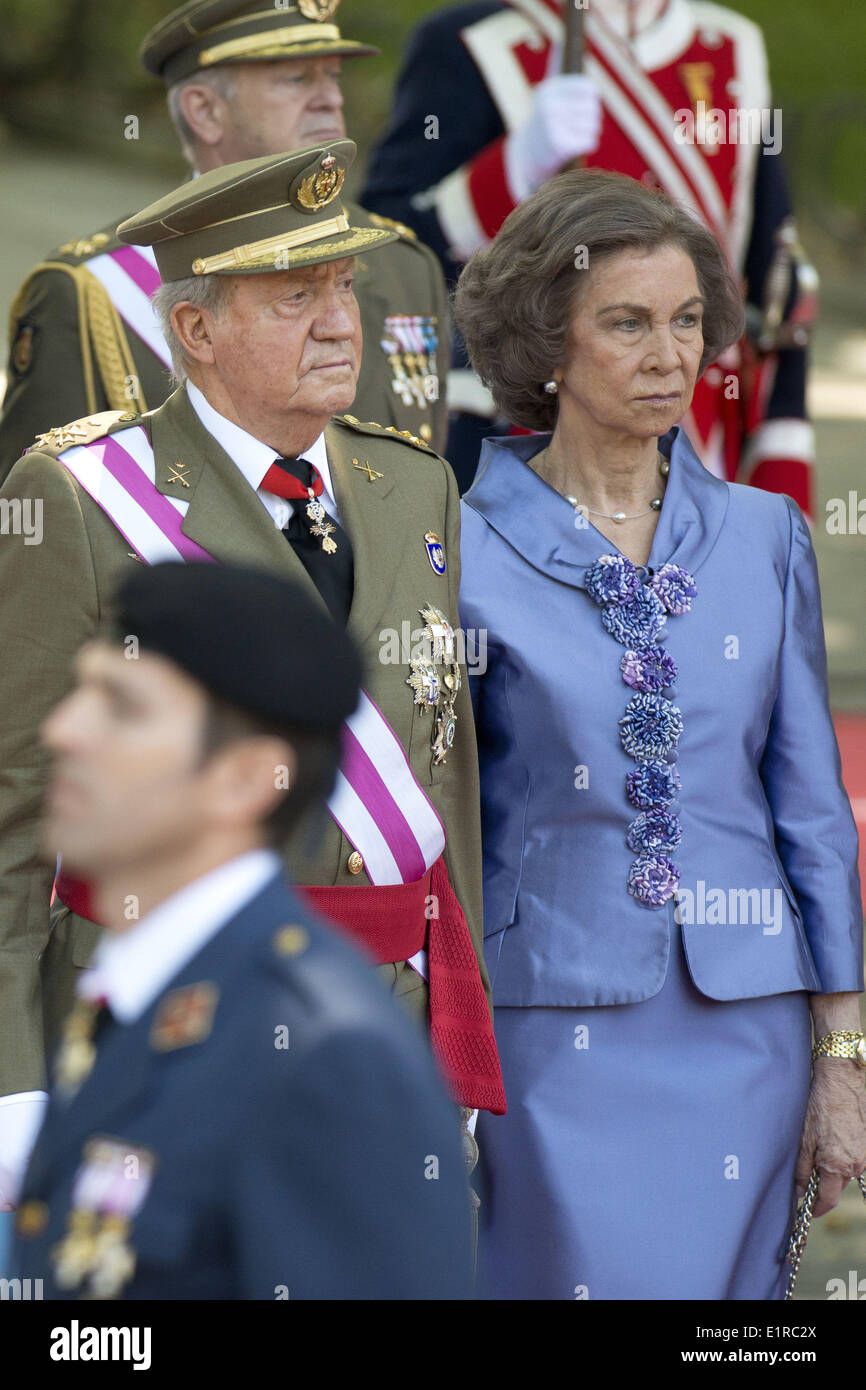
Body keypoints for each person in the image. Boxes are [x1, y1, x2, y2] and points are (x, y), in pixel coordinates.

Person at [0, 142, 503, 1215]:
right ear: (194, 330)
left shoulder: (414, 487)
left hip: (381, 1040)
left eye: (340, 287)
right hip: (162, 1040)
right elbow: (14, 821)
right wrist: (13, 1089)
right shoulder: (84, 500)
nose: (337, 322)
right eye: (292, 297)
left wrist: (458, 1030)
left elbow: (439, 779)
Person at [454, 168, 865, 1300]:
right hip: (545, 1030)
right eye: (624, 322)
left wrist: (842, 1056)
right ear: (546, 340)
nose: (668, 353)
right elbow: (434, 820)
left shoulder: (762, 535)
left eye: (685, 321)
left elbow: (811, 815)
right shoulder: (455, 549)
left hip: (748, 1029)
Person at [7, 561, 476, 1299]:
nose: (64, 730)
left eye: (122, 707)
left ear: (246, 780)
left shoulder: (329, 1054)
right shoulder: (143, 988)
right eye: (79, 692)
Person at [362, 0, 817, 507]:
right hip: (528, 434)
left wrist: (782, 449)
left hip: (702, 436)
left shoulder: (732, 45)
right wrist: (512, 167)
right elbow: (386, 244)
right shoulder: (472, 39)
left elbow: (777, 281)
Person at [0, 0, 449, 481]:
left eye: (333, 77)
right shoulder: (88, 293)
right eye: (297, 79)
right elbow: (40, 524)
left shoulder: (405, 264)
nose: (330, 99)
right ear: (205, 110)